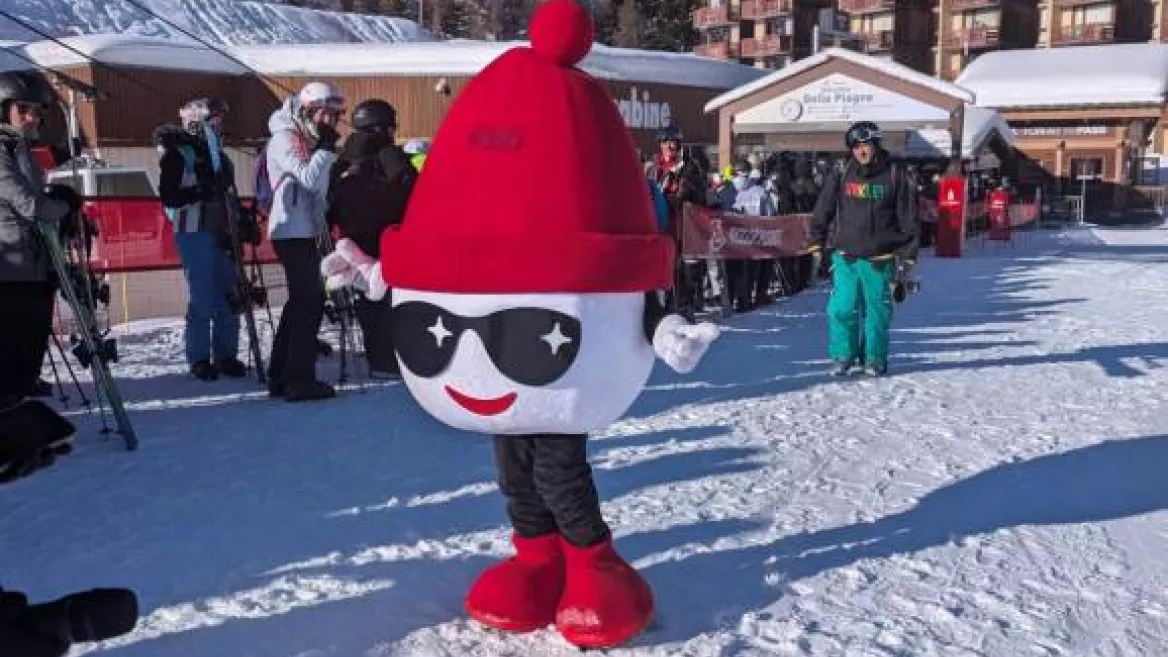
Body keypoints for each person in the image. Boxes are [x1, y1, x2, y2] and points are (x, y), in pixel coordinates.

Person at [319, 2, 720, 648]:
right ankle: (538, 557)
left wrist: (667, 328)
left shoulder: (608, 242)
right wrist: (367, 269)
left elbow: (632, 291)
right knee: (513, 473)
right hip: (515, 405)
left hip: (557, 398)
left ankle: (593, 561)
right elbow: (413, 280)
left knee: (560, 470)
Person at [809, 120, 919, 377]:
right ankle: (843, 355)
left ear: (876, 144)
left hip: (881, 258)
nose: (861, 151)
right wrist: (817, 242)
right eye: (856, 146)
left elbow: (909, 219)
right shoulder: (842, 170)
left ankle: (874, 358)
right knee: (841, 308)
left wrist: (907, 259)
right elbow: (823, 208)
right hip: (845, 256)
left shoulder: (896, 174)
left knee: (877, 312)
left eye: (865, 145)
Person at [154, 97, 248, 382]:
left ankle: (226, 353)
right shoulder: (178, 153)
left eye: (220, 120)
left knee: (229, 292)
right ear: (196, 121)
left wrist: (243, 221)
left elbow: (227, 191)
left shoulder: (217, 151)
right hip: (194, 230)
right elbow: (169, 195)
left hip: (222, 229)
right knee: (204, 295)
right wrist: (201, 192)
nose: (219, 126)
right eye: (213, 120)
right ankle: (199, 358)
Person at [264, 82, 344, 401]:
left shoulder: (306, 137)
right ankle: (299, 378)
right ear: (307, 110)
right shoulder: (286, 137)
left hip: (307, 229)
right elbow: (307, 178)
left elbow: (318, 186)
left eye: (335, 115)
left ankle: (282, 373)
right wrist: (325, 149)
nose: (330, 121)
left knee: (302, 301)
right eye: (325, 113)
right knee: (309, 301)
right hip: (292, 231)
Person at [327, 98, 417, 378]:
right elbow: (412, 188)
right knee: (392, 298)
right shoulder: (388, 154)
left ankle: (377, 357)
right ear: (383, 128)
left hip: (352, 241)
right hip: (388, 236)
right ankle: (392, 359)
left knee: (367, 298)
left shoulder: (343, 157)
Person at [0, 72, 72, 409]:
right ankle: (11, 400)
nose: (32, 117)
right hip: (10, 265)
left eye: (36, 111)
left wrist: (55, 197)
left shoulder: (20, 147)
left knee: (34, 332)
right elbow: (26, 203)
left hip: (32, 259)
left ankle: (22, 390)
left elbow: (34, 196)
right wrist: (62, 206)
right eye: (23, 110)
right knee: (17, 334)